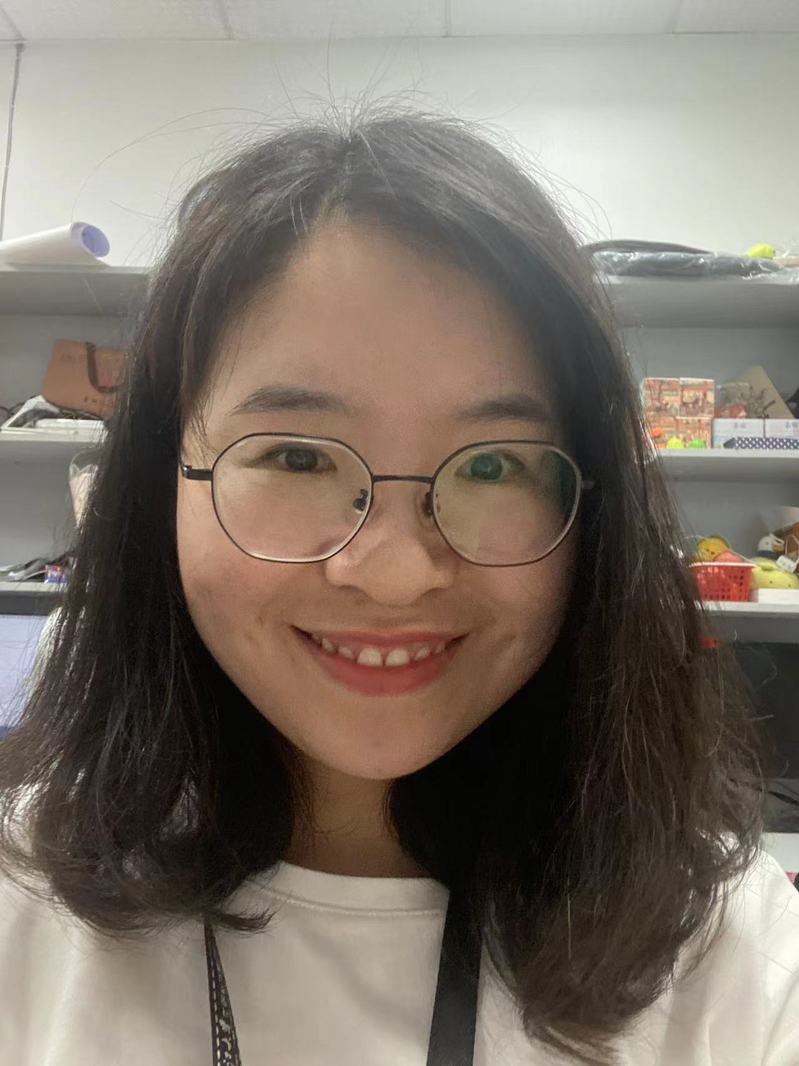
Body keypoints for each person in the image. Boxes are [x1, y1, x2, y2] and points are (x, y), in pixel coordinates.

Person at [0, 101, 797, 1066]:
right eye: (296, 456)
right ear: (159, 483)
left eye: (492, 465)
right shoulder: (21, 906)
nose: (393, 575)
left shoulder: (729, 953)